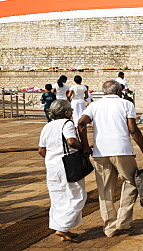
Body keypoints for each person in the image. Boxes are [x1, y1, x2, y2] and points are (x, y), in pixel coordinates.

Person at [77, 79, 143, 238]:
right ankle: (123, 221)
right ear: (119, 92)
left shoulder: (94, 106)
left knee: (105, 190)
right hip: (122, 150)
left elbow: (80, 124)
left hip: (100, 152)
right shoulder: (126, 104)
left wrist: (85, 146)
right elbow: (133, 130)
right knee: (132, 182)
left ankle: (110, 227)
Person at [38, 98, 88, 243]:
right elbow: (71, 141)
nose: (72, 113)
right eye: (70, 111)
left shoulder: (47, 126)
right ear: (66, 112)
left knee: (58, 197)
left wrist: (53, 157)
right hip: (67, 165)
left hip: (52, 166)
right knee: (78, 195)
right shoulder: (67, 123)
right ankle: (63, 227)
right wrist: (83, 147)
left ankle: (64, 229)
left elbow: (41, 150)